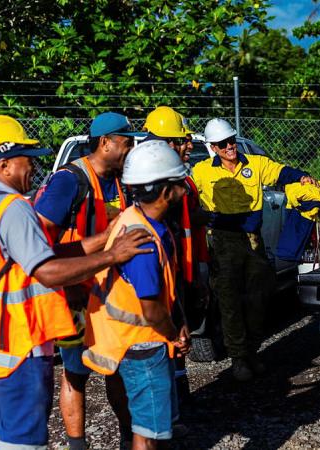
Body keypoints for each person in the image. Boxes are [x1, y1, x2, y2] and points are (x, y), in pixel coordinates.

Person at [0, 115, 152, 450]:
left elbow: (40, 252)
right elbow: (47, 270)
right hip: (20, 345)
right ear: (4, 163)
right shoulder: (14, 207)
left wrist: (103, 241)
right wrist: (111, 257)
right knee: (23, 443)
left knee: (0, 439)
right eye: (28, 159)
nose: (34, 167)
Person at [34, 111, 142, 450]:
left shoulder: (121, 179)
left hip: (109, 296)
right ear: (106, 142)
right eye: (127, 142)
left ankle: (129, 438)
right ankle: (77, 445)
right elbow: (40, 244)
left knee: (119, 368)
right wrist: (69, 287)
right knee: (76, 373)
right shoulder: (70, 180)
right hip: (76, 297)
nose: (131, 148)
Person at [82, 140, 191, 449]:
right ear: (166, 192)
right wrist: (174, 335)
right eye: (179, 183)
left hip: (138, 340)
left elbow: (165, 290)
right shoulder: (142, 240)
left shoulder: (143, 220)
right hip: (142, 343)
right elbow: (151, 309)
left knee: (145, 427)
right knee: (149, 432)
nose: (185, 189)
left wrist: (178, 320)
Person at [191, 118, 317, 381]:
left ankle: (251, 351)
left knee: (260, 296)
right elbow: (189, 197)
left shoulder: (255, 164)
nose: (230, 146)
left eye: (231, 140)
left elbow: (282, 172)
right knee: (229, 302)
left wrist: (302, 177)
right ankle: (239, 359)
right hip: (223, 242)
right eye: (223, 143)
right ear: (213, 147)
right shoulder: (202, 171)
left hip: (252, 241)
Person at [143, 105, 210, 404]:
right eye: (184, 140)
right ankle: (165, 410)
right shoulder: (148, 181)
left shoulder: (181, 179)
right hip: (156, 276)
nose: (189, 145)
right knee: (161, 340)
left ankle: (178, 407)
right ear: (168, 142)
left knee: (179, 340)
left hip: (179, 271)